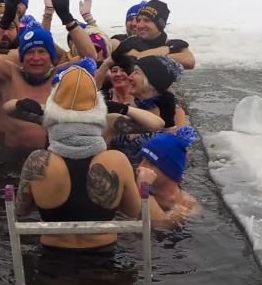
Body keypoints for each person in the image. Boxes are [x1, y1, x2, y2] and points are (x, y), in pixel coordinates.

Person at [14, 64, 158, 252]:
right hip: (104, 254)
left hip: (53, 255)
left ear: (52, 110)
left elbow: (22, 210)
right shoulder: (116, 160)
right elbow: (133, 212)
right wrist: (141, 183)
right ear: (99, 111)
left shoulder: (38, 161)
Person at [0, 0, 99, 149]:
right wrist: (4, 22)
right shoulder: (11, 75)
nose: (36, 57)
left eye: (42, 52)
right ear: (21, 57)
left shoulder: (60, 74)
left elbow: (90, 56)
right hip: (10, 159)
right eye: (30, 52)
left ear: (51, 56)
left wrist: (66, 16)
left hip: (50, 157)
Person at [137, 129, 202, 227]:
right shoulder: (134, 186)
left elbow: (161, 224)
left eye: (151, 163)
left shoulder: (188, 206)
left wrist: (144, 187)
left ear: (169, 171)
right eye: (142, 160)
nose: (140, 167)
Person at [113, 0, 196, 70]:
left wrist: (155, 54)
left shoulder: (173, 43)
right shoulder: (129, 42)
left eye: (147, 20)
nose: (139, 25)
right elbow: (137, 58)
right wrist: (168, 50)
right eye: (139, 20)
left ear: (159, 24)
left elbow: (189, 61)